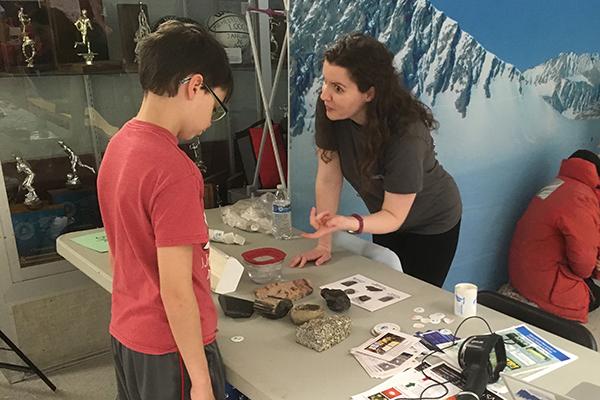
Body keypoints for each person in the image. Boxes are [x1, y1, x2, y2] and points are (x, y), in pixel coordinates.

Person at [97, 20, 232, 400]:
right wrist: (201, 379)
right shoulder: (173, 169)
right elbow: (176, 292)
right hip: (170, 349)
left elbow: (118, 252)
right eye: (216, 107)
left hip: (127, 333)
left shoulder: (119, 146)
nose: (209, 122)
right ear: (195, 86)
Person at [290, 33, 462, 288]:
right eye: (325, 82)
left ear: (369, 93)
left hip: (432, 223)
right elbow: (328, 178)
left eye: (338, 88)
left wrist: (350, 223)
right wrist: (324, 243)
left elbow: (394, 215)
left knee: (414, 301)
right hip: (384, 219)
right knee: (387, 290)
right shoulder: (330, 108)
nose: (325, 95)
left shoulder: (406, 135)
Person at [509, 150, 600, 323]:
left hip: (523, 276)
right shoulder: (581, 199)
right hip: (545, 288)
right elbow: (584, 265)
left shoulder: (559, 185)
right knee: (595, 295)